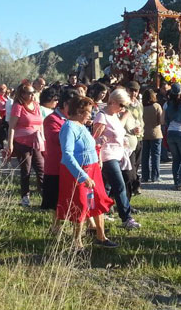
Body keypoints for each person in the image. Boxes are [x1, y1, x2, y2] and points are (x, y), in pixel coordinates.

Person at [57, 96, 117, 249]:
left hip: (93, 168)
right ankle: (77, 242)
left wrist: (97, 158)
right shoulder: (69, 127)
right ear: (79, 111)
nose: (90, 115)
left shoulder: (82, 126)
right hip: (78, 171)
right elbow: (67, 154)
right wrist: (83, 177)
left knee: (98, 200)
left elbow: (88, 146)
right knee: (81, 204)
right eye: (88, 112)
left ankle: (101, 236)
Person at [93, 88, 141, 229]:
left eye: (124, 106)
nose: (122, 108)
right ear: (112, 101)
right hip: (107, 156)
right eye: (121, 105)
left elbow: (118, 131)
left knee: (106, 187)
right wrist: (102, 141)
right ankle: (126, 218)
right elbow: (95, 138)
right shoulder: (102, 117)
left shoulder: (113, 115)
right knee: (119, 186)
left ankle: (100, 211)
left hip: (118, 155)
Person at [42, 88, 78, 233]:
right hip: (56, 165)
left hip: (71, 164)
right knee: (56, 199)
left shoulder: (72, 120)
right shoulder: (52, 119)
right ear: (65, 104)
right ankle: (55, 226)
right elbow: (55, 138)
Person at [7, 82, 45, 207]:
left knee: (41, 168)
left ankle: (45, 194)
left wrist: (44, 141)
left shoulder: (36, 105)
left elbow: (41, 124)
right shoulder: (18, 106)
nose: (33, 94)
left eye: (34, 92)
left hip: (36, 142)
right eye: (30, 92)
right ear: (23, 94)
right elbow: (12, 127)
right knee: (26, 170)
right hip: (22, 143)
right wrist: (10, 144)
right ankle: (25, 196)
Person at [162, 83, 181, 191]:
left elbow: (162, 120)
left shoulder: (166, 104)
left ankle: (176, 181)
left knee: (176, 158)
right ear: (180, 93)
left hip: (170, 132)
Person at [123, 81, 144, 197]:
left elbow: (141, 120)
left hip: (139, 137)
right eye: (131, 90)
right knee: (130, 169)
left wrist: (141, 130)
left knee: (136, 165)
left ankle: (135, 186)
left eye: (135, 91)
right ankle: (131, 188)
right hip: (127, 139)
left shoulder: (139, 104)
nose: (133, 93)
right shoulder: (124, 104)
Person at [141, 89, 163, 183]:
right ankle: (155, 176)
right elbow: (161, 120)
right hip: (156, 133)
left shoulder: (141, 107)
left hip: (144, 133)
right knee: (155, 155)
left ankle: (145, 176)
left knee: (145, 156)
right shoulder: (156, 106)